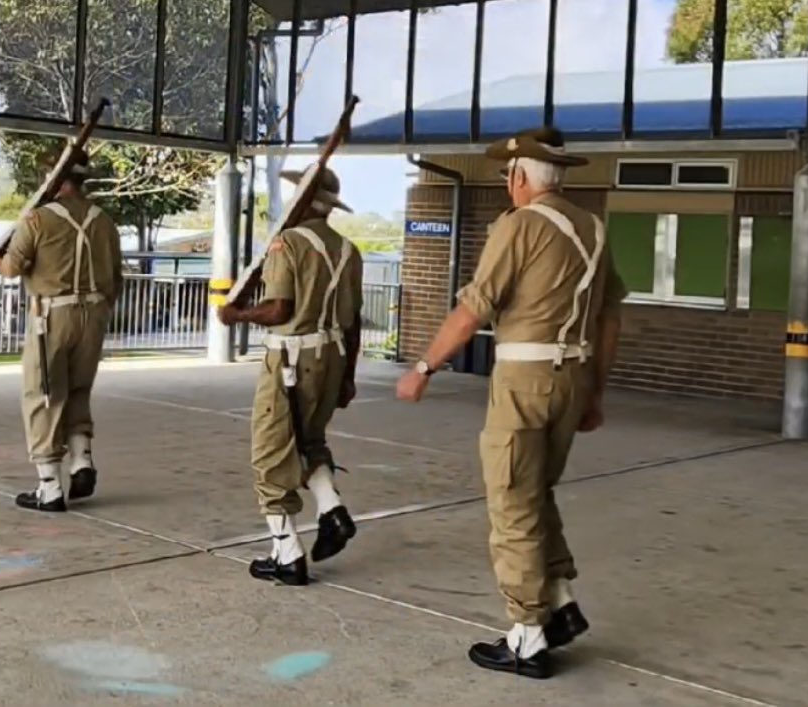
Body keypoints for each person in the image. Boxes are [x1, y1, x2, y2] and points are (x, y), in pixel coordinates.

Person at [396, 126, 626, 679]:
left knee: (512, 502)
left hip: (525, 378)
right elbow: (611, 316)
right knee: (535, 492)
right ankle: (563, 602)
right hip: (572, 375)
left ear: (521, 176)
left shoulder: (518, 226)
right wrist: (595, 389)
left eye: (507, 174)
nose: (506, 183)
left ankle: (527, 636)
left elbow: (475, 307)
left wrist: (425, 365)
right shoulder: (592, 229)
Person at [218, 166, 364, 586]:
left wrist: (238, 314)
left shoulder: (289, 244)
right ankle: (331, 508)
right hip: (331, 358)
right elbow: (352, 323)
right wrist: (348, 378)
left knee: (270, 452)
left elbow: (280, 309)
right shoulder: (347, 250)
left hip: (290, 361)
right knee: (308, 440)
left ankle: (286, 553)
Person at [0, 148, 123, 513]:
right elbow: (116, 279)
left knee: (44, 395)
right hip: (94, 314)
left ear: (55, 178)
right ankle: (81, 460)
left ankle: (49, 485)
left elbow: (13, 268)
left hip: (51, 316)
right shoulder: (104, 221)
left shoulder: (37, 219)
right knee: (79, 389)